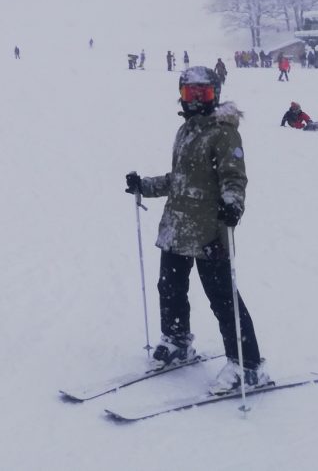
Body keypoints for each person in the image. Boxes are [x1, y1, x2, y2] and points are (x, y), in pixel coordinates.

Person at [123, 66, 268, 395]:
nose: (196, 100)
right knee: (169, 288)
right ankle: (176, 341)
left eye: (203, 94)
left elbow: (234, 177)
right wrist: (144, 186)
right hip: (176, 226)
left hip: (208, 229)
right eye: (191, 94)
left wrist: (232, 204)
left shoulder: (224, 132)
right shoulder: (186, 129)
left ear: (215, 94)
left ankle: (248, 365)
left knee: (222, 297)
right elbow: (181, 179)